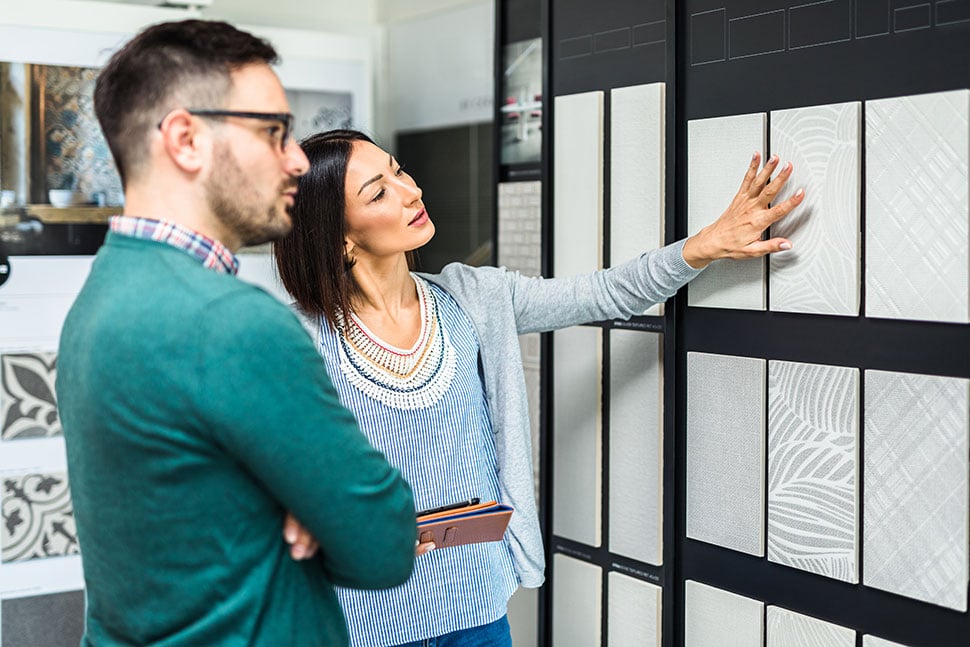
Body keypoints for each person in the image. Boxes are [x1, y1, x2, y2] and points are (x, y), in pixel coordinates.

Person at [272, 128, 804, 646]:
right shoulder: (294, 340)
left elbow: (604, 294)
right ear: (339, 236)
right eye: (380, 191)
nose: (412, 190)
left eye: (399, 170)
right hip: (358, 620)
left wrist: (702, 247)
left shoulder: (475, 298)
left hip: (476, 609)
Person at [55, 22, 417, 646]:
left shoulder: (99, 297)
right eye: (273, 132)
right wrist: (313, 509)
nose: (298, 159)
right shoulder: (231, 324)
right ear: (186, 139)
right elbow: (383, 544)